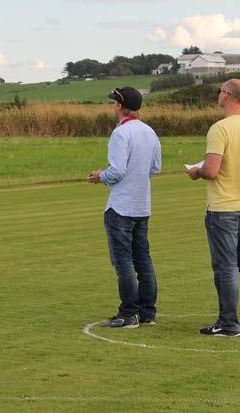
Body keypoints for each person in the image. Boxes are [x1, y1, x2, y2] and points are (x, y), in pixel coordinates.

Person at [187, 78, 240, 337]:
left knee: (226, 267)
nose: (218, 95)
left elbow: (211, 170)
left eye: (220, 91)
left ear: (227, 96)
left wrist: (197, 171)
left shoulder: (219, 129)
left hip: (223, 207)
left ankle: (228, 323)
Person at [89, 87, 162, 328]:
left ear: (120, 106)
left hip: (121, 206)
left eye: (114, 103)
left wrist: (101, 176)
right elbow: (154, 169)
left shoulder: (120, 134)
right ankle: (147, 312)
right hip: (142, 205)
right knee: (143, 260)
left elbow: (117, 171)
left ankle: (129, 313)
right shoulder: (149, 132)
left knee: (124, 262)